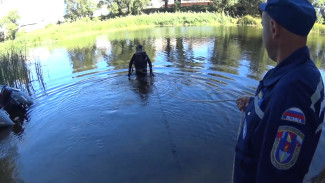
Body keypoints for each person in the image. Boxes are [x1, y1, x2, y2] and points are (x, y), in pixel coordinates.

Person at [233, 0, 325, 182]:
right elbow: (274, 113)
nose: (262, 33)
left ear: (273, 28)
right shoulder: (299, 74)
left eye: (262, 26)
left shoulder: (293, 91)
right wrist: (254, 104)